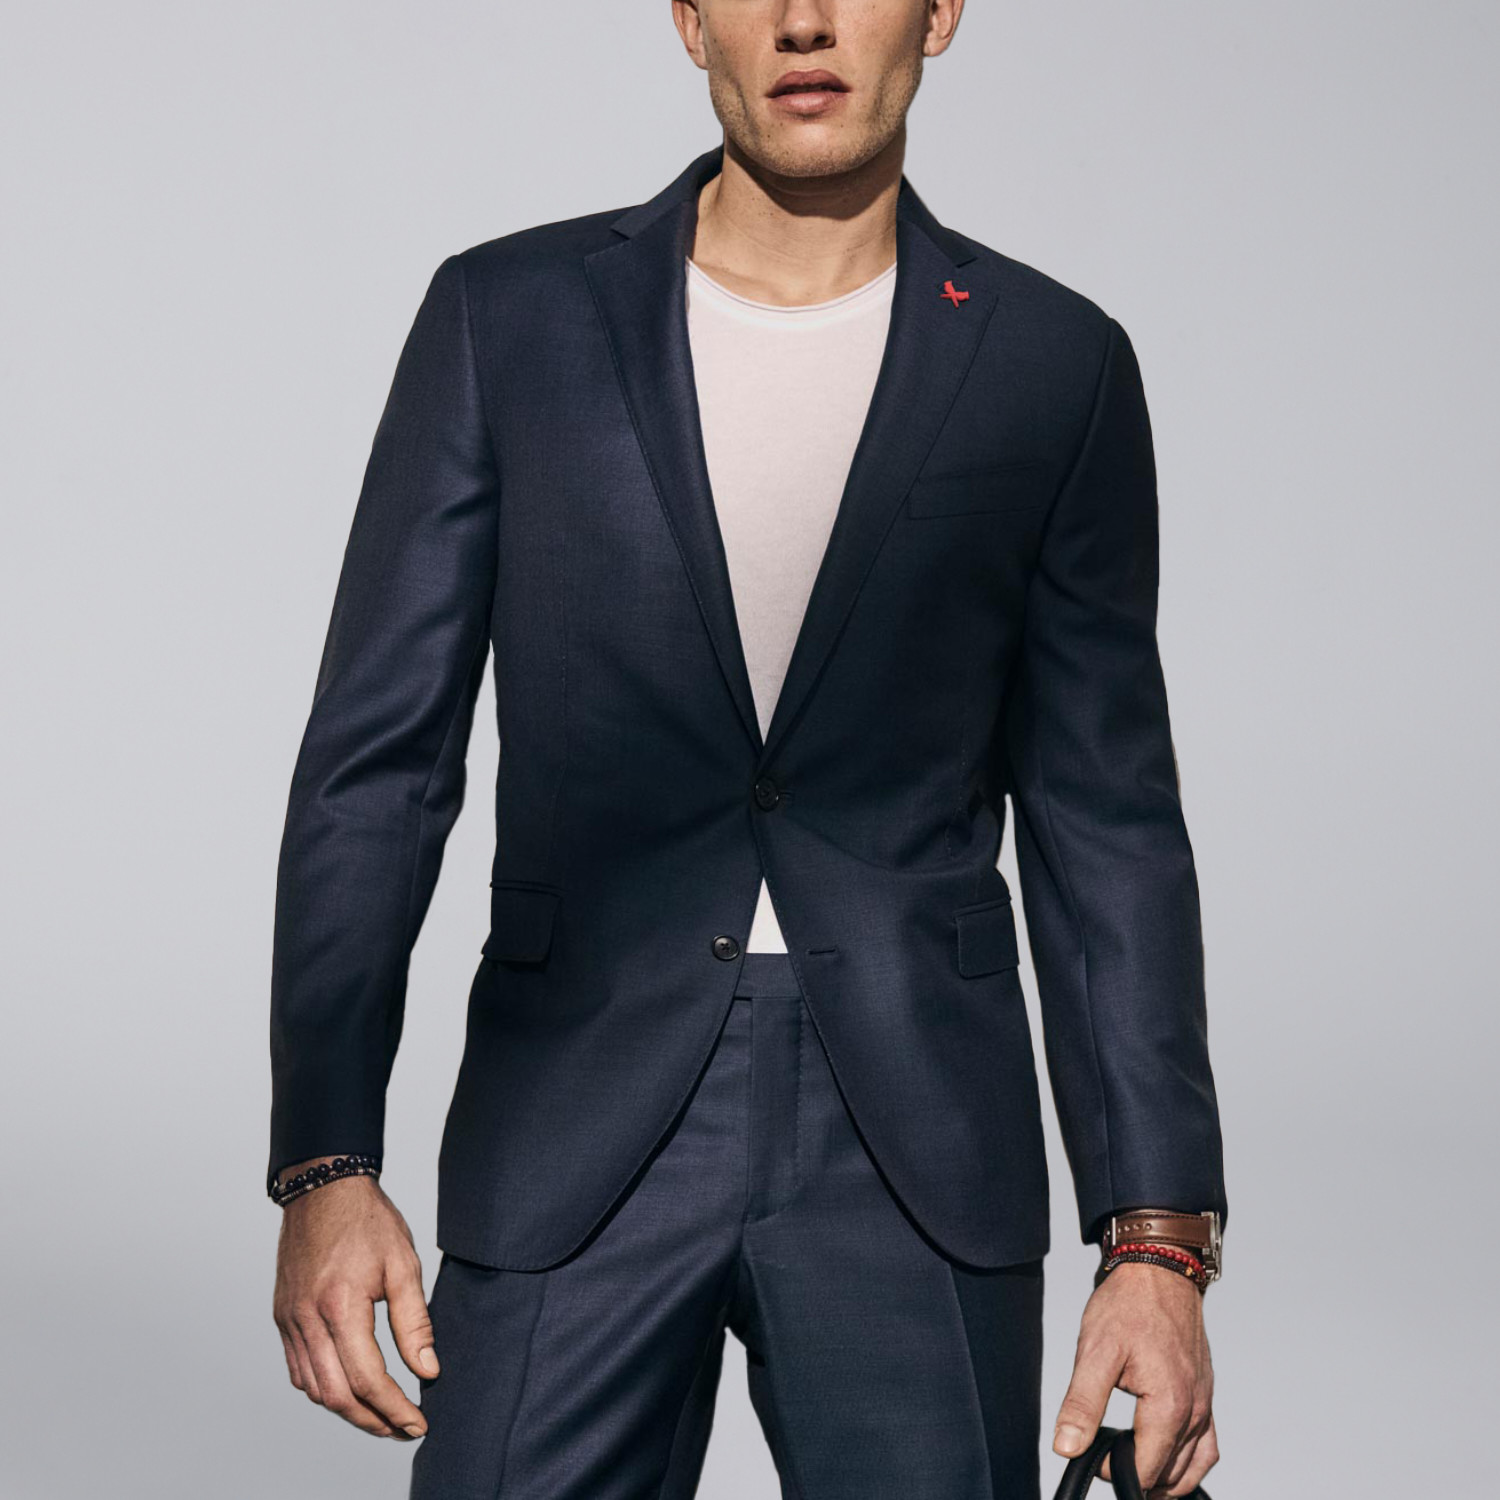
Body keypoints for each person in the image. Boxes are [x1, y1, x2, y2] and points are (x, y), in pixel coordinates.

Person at [267, 2, 1229, 1496]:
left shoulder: (1055, 362)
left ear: (939, 13)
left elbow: (1106, 822)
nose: (803, 20)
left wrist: (1157, 1242)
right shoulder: (508, 318)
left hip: (917, 1142)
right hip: (573, 1108)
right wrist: (326, 1161)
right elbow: (375, 771)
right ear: (690, 19)